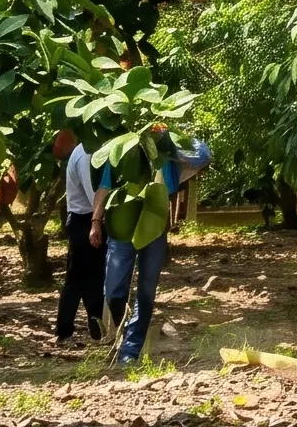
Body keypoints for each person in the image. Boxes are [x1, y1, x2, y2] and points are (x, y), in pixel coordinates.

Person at [100, 133, 211, 364]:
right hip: (122, 229)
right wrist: (94, 221)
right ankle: (124, 329)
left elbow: (203, 155)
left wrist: (166, 140)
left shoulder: (166, 155)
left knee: (146, 292)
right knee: (113, 292)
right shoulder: (119, 151)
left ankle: (130, 351)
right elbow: (104, 186)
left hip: (154, 228)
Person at [57, 135, 106, 344]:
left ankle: (93, 330)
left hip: (87, 218)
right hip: (84, 219)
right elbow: (93, 194)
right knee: (81, 279)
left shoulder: (90, 151)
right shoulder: (87, 155)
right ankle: (67, 331)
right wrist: (97, 221)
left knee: (89, 278)